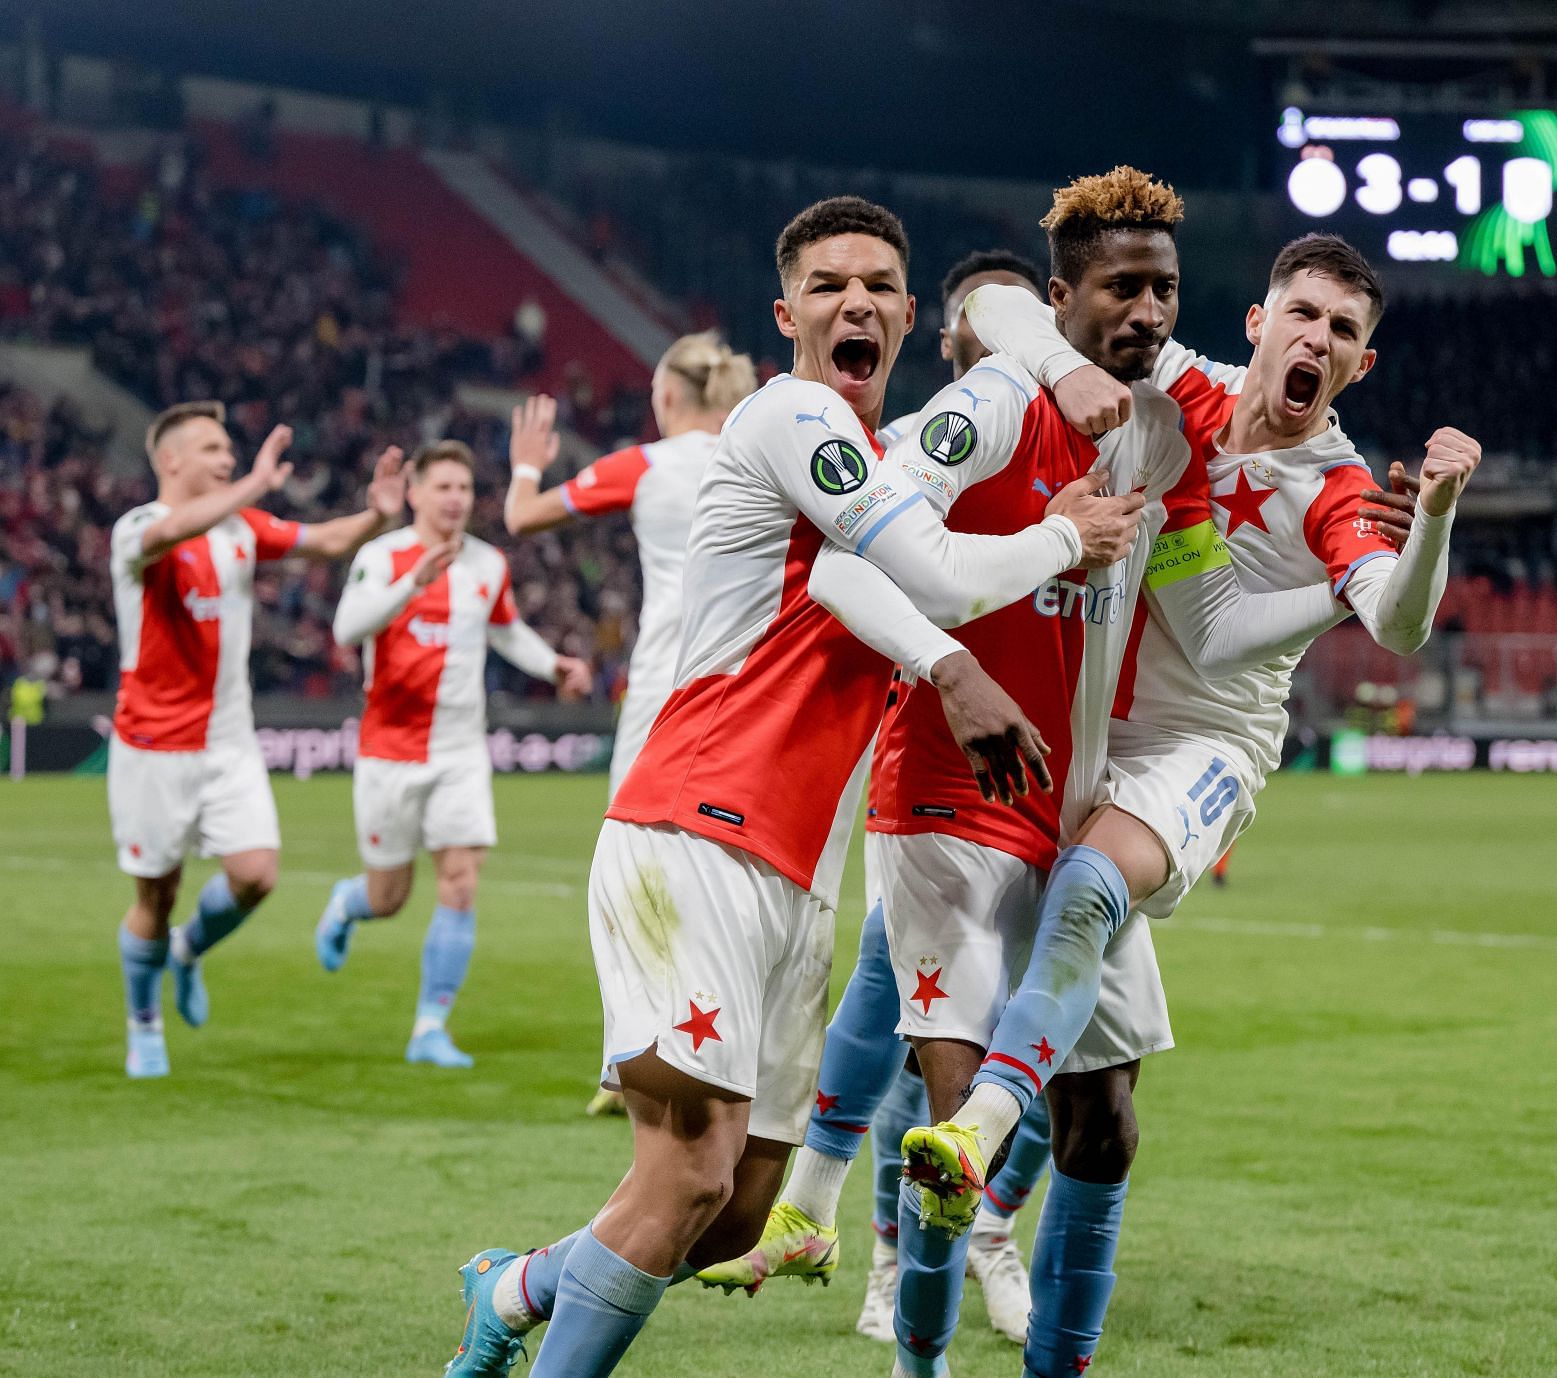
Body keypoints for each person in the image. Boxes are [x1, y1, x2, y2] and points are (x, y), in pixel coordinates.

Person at [441, 195, 1146, 1378]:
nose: (855, 301)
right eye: (827, 284)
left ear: (912, 316)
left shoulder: (887, 458)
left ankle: (512, 1287)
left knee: (731, 1212)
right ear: (786, 315)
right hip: (697, 828)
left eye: (878, 284)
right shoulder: (790, 414)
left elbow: (903, 535)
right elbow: (919, 569)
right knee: (689, 1171)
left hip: (801, 878)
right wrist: (1065, 540)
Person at [903, 231, 1473, 1378]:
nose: (1318, 339)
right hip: (1084, 723)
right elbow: (1005, 301)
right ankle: (917, 1309)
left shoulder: (1342, 489)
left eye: (1344, 332)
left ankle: (978, 1132)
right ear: (1261, 323)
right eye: (1302, 314)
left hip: (1206, 748)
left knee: (1085, 893)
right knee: (1097, 1113)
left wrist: (1442, 514)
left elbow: (1399, 622)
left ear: (1360, 367)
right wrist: (1065, 370)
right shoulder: (1188, 384)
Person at [696, 251, 1062, 1347]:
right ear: (947, 344)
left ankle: (931, 1221)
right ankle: (899, 1264)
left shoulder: (1086, 439)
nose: (1002, 356)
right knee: (928, 1031)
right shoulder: (911, 454)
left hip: (1064, 785)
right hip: (929, 771)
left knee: (1067, 1049)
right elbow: (861, 573)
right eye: (984, 334)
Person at [108, 401, 403, 1078]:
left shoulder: (240, 529)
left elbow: (327, 541)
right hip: (152, 750)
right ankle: (144, 1022)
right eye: (213, 448)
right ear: (171, 460)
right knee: (156, 893)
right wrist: (255, 485)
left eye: (229, 449)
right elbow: (177, 526)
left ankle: (186, 952)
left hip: (228, 744)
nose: (228, 457)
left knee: (256, 874)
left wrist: (380, 514)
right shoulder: (138, 529)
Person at [315, 440, 592, 1067]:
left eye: (463, 489)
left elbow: (505, 629)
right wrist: (411, 584)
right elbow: (346, 629)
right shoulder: (381, 556)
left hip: (460, 751)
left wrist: (553, 665)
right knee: (388, 898)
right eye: (442, 487)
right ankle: (346, 903)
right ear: (413, 493)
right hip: (389, 752)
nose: (454, 500)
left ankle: (429, 1027)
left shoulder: (488, 564)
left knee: (461, 881)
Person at [502, 332, 760, 793]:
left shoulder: (644, 465)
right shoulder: (758, 465)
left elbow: (521, 517)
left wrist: (526, 465)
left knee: (629, 837)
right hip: (752, 680)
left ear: (666, 396)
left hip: (668, 675)